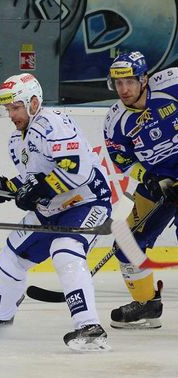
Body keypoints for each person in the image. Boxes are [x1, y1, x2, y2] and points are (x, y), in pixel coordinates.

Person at [0, 73, 112, 351]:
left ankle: (89, 326)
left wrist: (40, 190)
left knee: (65, 249)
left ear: (33, 102)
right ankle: (1, 314)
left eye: (16, 107)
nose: (11, 114)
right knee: (10, 256)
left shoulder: (52, 122)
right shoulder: (16, 141)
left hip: (89, 202)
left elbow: (75, 169)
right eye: (8, 109)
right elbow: (31, 183)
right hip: (52, 210)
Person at [104, 51, 178, 329]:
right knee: (126, 241)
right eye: (117, 83)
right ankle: (148, 304)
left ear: (144, 79)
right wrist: (148, 179)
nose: (123, 90)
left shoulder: (173, 85)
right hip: (160, 181)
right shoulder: (115, 122)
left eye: (129, 82)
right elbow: (122, 160)